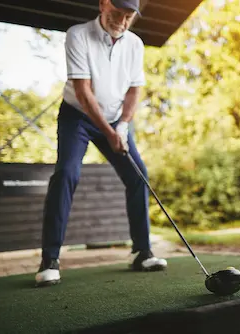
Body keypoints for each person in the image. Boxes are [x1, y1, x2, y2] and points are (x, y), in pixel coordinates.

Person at [35, 0, 167, 287]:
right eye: (117, 13)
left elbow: (134, 89)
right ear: (103, 4)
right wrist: (108, 132)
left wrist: (122, 125)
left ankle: (142, 252)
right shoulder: (77, 35)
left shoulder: (135, 44)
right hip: (78, 118)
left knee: (137, 177)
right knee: (67, 174)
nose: (121, 21)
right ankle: (50, 260)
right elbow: (83, 93)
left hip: (115, 120)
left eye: (128, 17)